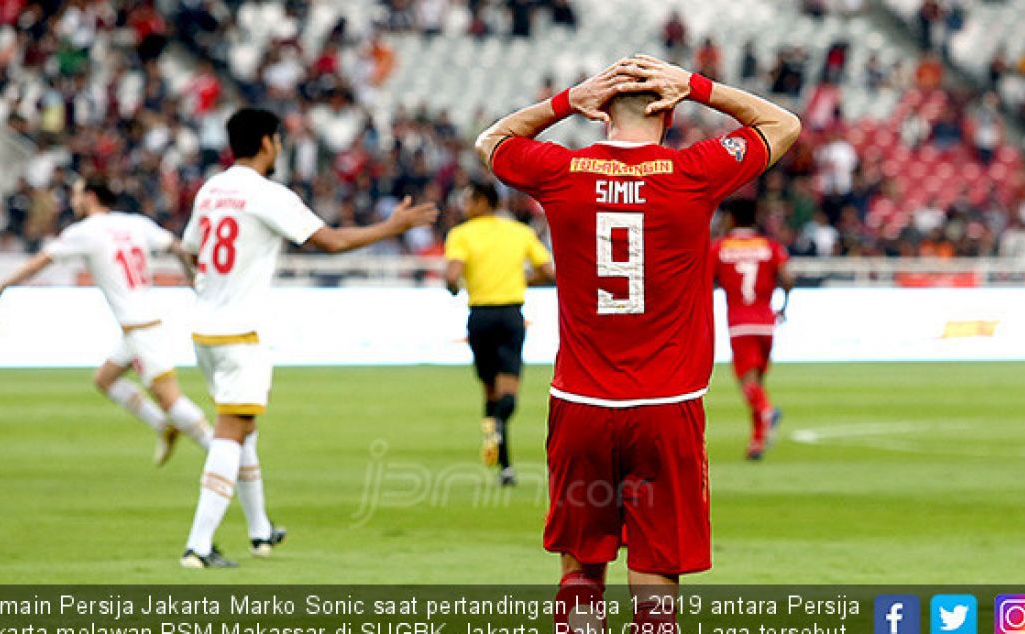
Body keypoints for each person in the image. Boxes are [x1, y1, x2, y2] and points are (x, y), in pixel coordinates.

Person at [475, 55, 799, 626]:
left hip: (581, 404)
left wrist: (564, 100)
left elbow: (491, 141)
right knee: (656, 570)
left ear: (600, 115)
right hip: (665, 407)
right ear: (668, 113)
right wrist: (698, 86)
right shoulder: (693, 172)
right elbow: (783, 125)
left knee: (581, 567)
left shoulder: (561, 171)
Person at [177, 108, 437, 568]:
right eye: (278, 139)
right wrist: (390, 228)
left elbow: (190, 252)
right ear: (266, 143)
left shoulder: (211, 191)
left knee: (243, 429)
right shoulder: (267, 194)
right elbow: (330, 242)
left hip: (204, 328)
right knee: (231, 430)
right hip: (240, 332)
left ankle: (260, 532)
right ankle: (198, 544)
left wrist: (209, 290)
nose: (280, 146)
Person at [0, 175, 213, 465]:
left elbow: (41, 261)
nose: (73, 201)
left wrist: (2, 286)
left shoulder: (85, 232)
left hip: (141, 329)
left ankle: (220, 451)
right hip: (141, 324)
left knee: (171, 399)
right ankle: (163, 428)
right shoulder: (135, 223)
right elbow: (178, 247)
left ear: (91, 197)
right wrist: (192, 278)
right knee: (104, 379)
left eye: (77, 195)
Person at [443, 178, 554, 486]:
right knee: (508, 393)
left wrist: (452, 286)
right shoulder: (520, 232)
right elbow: (547, 272)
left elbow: (452, 274)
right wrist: (519, 282)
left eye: (468, 199)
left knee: (489, 391)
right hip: (510, 316)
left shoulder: (461, 235)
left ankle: (502, 458)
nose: (465, 206)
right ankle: (502, 453)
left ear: (482, 201)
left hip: (479, 317)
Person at [711, 199, 794, 460]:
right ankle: (757, 441)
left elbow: (705, 281)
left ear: (732, 219)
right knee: (757, 381)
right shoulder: (769, 246)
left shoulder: (720, 248)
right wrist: (783, 307)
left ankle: (767, 412)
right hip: (766, 322)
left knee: (746, 382)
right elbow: (788, 279)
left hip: (739, 323)